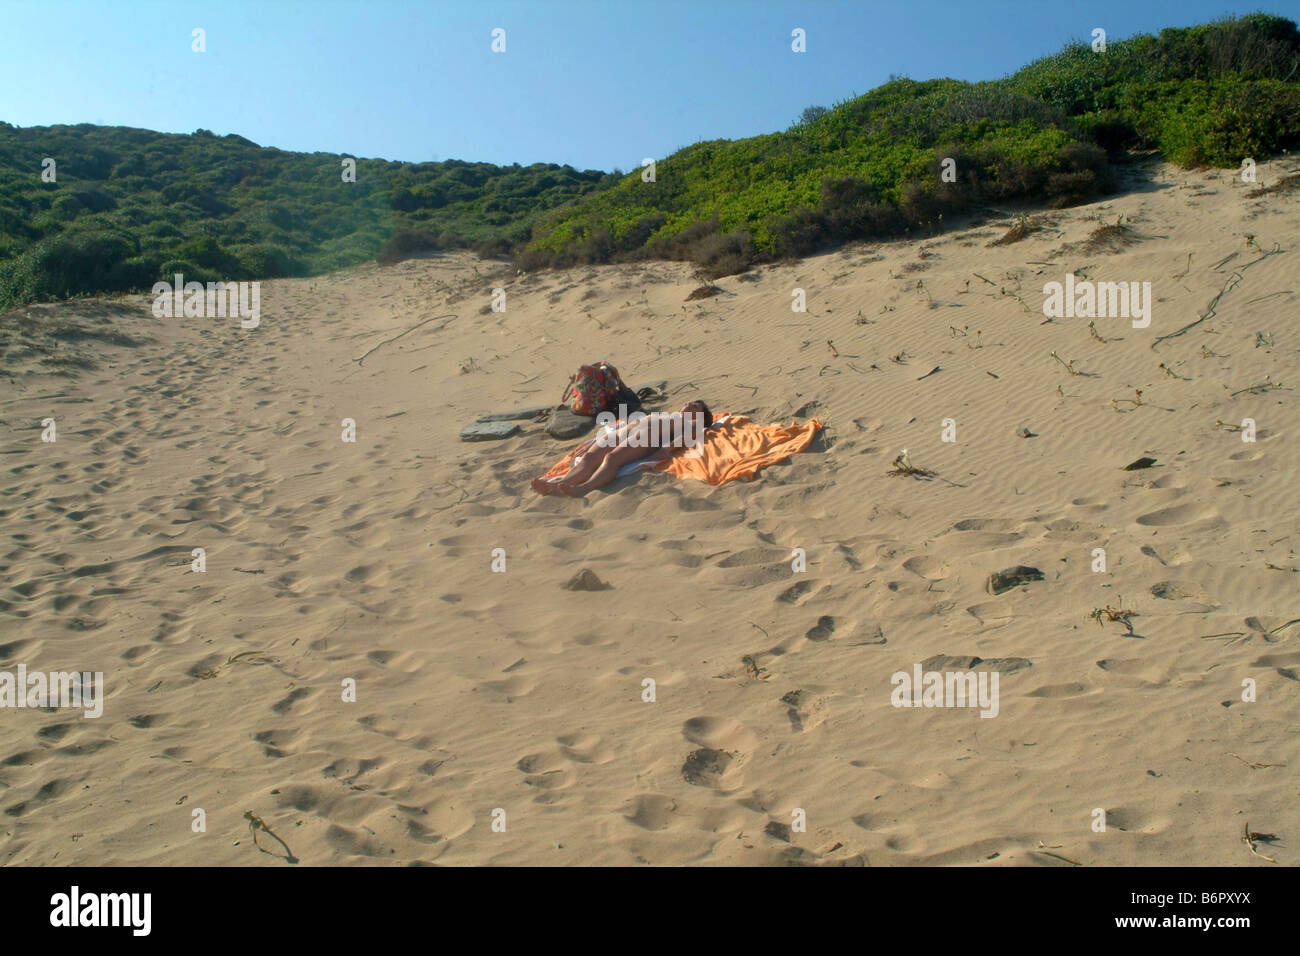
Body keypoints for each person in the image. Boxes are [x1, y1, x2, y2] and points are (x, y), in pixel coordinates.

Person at [532, 401, 713, 497]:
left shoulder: (692, 425)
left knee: (612, 459)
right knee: (588, 458)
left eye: (696, 406)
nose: (689, 404)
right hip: (624, 432)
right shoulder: (670, 415)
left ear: (701, 416)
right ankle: (558, 485)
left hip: (644, 438)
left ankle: (584, 488)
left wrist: (665, 451)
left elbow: (684, 440)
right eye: (690, 403)